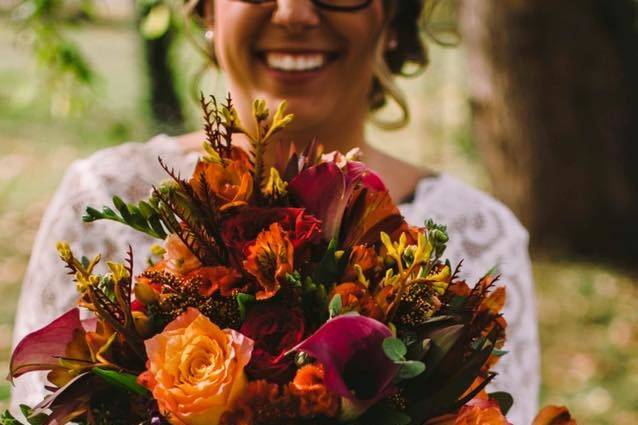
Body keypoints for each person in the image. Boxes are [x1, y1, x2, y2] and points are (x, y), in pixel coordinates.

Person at [11, 0, 540, 423]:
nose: (293, 12)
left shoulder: (483, 237)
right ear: (208, 13)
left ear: (394, 18)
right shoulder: (100, 199)